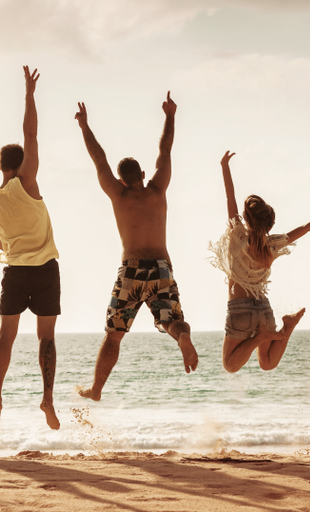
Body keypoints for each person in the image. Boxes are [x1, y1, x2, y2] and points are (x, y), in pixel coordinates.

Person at [75, 93, 198, 403]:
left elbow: (98, 158)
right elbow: (165, 150)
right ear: (143, 175)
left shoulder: (119, 195)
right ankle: (181, 336)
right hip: (161, 267)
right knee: (171, 320)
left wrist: (84, 126)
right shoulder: (158, 190)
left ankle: (97, 390)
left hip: (131, 270)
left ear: (121, 179)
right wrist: (170, 116)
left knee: (114, 336)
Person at [211, 151, 310, 372]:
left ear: (247, 219)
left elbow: (230, 198)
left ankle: (262, 337)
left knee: (230, 366)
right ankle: (286, 327)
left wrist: (224, 166)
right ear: (270, 224)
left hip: (240, 309)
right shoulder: (272, 245)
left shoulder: (238, 236)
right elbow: (306, 227)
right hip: (264, 309)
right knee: (267, 363)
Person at [0, 66, 61, 431]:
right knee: (46, 338)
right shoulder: (26, 183)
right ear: (20, 165)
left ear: (0, 166)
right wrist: (30, 94)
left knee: (5, 337)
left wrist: (13, 246)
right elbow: (31, 133)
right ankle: (46, 399)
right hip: (44, 268)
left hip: (14, 271)